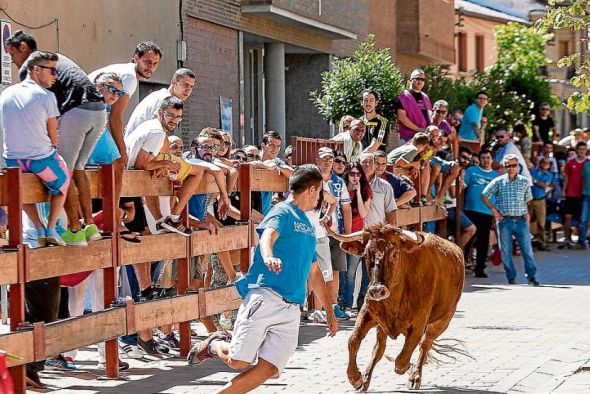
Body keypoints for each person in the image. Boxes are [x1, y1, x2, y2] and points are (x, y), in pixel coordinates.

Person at [187, 165, 338, 394]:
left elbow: (314, 272)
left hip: (291, 308)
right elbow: (267, 235)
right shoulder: (282, 211)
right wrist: (269, 257)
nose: (319, 198)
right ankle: (214, 343)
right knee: (239, 361)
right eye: (319, 192)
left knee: (269, 368)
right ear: (311, 190)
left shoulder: (308, 226)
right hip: (266, 296)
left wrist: (329, 312)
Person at [0, 50, 69, 388]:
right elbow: (53, 137)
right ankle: (27, 371)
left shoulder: (6, 94)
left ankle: (27, 372)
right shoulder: (44, 97)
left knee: (30, 308)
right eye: (52, 70)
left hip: (13, 166)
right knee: (43, 311)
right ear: (36, 69)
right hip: (36, 245)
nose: (55, 76)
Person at [6, 30, 107, 247]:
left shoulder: (31, 69)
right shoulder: (59, 58)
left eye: (12, 54)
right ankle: (89, 226)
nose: (12, 61)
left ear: (23, 48)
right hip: (99, 111)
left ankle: (74, 229)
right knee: (78, 168)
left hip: (76, 111)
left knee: (64, 169)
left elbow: (33, 112)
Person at [87, 41, 162, 236]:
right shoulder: (129, 77)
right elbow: (115, 118)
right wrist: (122, 149)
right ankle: (112, 218)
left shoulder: (123, 71)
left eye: (154, 64)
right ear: (135, 58)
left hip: (87, 117)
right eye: (147, 62)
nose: (150, 67)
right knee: (120, 161)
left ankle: (102, 215)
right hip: (90, 117)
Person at [125, 96, 209, 235]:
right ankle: (174, 217)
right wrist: (166, 163)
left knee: (141, 237)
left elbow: (144, 163)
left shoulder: (150, 125)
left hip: (132, 180)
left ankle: (161, 221)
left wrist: (160, 165)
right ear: (160, 112)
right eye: (170, 115)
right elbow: (142, 163)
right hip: (130, 181)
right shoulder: (157, 132)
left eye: (178, 117)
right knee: (198, 171)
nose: (174, 120)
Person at [482, 154, 539, 286]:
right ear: (504, 167)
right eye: (508, 165)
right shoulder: (498, 181)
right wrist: (494, 211)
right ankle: (511, 277)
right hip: (504, 221)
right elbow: (484, 195)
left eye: (513, 165)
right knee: (506, 251)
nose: (511, 168)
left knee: (527, 250)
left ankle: (532, 277)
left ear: (518, 166)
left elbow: (528, 201)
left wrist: (527, 219)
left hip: (520, 220)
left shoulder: (524, 181)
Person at [316, 147, 352, 320]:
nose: (327, 162)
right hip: (316, 232)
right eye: (324, 159)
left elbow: (346, 208)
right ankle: (318, 308)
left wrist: (348, 234)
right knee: (317, 270)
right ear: (317, 159)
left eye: (330, 159)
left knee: (335, 270)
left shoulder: (339, 182)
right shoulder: (312, 179)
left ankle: (333, 305)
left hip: (335, 232)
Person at [357, 152, 397, 308]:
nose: (368, 165)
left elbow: (391, 212)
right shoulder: (352, 181)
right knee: (350, 273)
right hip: (355, 234)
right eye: (364, 162)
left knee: (373, 270)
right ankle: (347, 304)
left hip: (375, 238)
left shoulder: (384, 186)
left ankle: (367, 303)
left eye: (371, 162)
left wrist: (390, 236)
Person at [125, 67, 196, 137]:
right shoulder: (165, 100)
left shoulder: (159, 95)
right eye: (185, 85)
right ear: (174, 82)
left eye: (191, 87)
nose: (188, 90)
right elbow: (155, 133)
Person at [340, 163, 371, 313]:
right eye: (352, 174)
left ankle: (348, 304)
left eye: (358, 174)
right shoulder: (341, 189)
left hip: (357, 236)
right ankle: (342, 303)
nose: (355, 177)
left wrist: (358, 193)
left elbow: (364, 213)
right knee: (341, 271)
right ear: (347, 175)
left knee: (351, 272)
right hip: (342, 235)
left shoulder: (365, 190)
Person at [463, 150, 500, 278]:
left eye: (488, 157)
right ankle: (463, 265)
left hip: (486, 212)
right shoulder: (471, 171)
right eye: (483, 158)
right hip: (470, 210)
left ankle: (479, 269)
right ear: (479, 159)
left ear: (492, 159)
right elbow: (463, 186)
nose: (486, 160)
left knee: (483, 242)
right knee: (468, 239)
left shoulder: (496, 176)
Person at [559, 141, 588, 249]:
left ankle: (581, 240)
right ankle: (567, 238)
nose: (581, 151)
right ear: (577, 150)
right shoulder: (570, 162)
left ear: (586, 150)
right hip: (571, 193)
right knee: (567, 217)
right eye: (580, 149)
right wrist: (563, 190)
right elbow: (567, 177)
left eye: (583, 149)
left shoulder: (588, 163)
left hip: (583, 194)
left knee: (582, 219)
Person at [395, 69, 432, 142]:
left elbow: (429, 116)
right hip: (409, 138)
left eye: (422, 79)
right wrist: (419, 129)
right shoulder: (403, 96)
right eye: (417, 78)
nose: (420, 81)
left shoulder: (425, 97)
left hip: (425, 137)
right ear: (411, 80)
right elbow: (402, 118)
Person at [529, 158, 553, 251]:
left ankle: (542, 242)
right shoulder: (533, 171)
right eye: (544, 162)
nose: (545, 164)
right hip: (530, 199)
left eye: (547, 163)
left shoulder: (549, 175)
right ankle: (530, 241)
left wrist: (534, 181)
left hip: (540, 200)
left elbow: (544, 185)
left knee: (541, 222)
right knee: (529, 221)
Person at [579, 157, 590, 248]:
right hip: (586, 195)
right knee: (583, 219)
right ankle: (582, 241)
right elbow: (582, 180)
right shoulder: (586, 165)